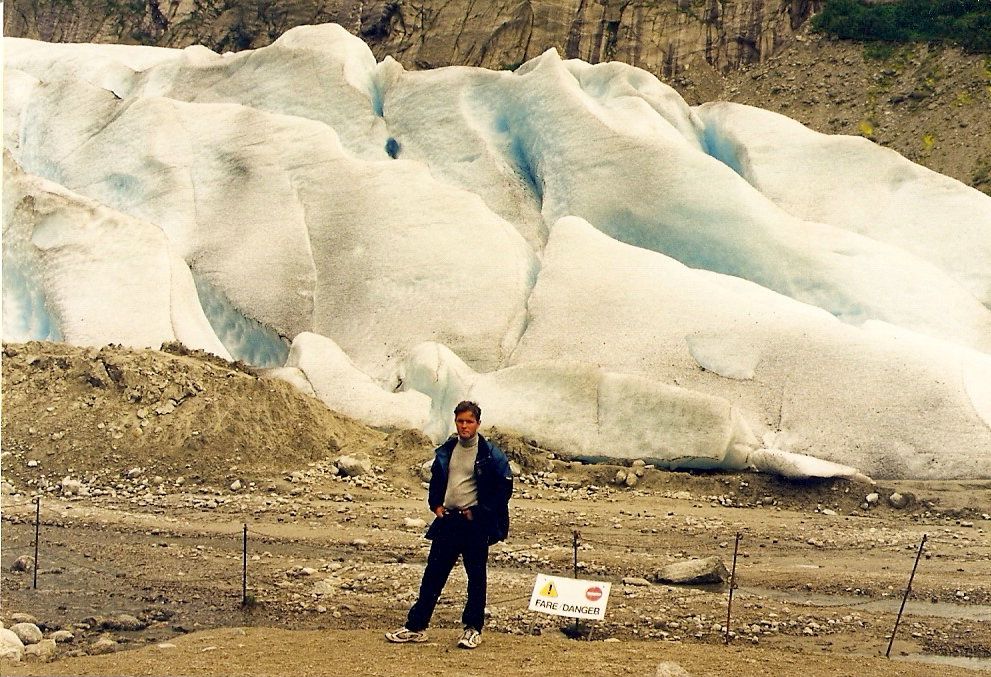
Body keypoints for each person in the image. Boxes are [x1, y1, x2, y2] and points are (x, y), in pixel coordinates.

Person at [386, 400, 513, 649]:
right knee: (433, 575)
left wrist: (479, 512)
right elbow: (437, 479)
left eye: (469, 421)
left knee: (476, 578)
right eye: (460, 421)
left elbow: (504, 488)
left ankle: (473, 629)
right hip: (448, 521)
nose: (464, 426)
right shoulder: (448, 449)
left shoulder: (489, 453)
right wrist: (435, 505)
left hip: (473, 525)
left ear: (478, 423)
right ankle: (416, 627)